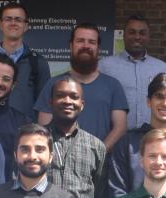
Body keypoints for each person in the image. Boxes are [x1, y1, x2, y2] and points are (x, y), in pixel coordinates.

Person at [34, 23, 128, 151]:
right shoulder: (53, 84)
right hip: (60, 164)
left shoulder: (113, 85)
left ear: (98, 48)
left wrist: (98, 155)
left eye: (91, 42)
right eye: (80, 41)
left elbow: (120, 128)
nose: (86, 46)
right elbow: (43, 128)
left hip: (102, 166)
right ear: (71, 45)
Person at [0, 1, 52, 113]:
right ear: (1, 25)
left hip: (25, 129)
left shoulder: (37, 63)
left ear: (26, 26)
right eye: (8, 19)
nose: (13, 23)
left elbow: (45, 105)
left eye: (18, 19)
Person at [100, 14, 166, 130]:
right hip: (117, 138)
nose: (137, 37)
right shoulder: (105, 66)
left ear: (148, 37)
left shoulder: (161, 68)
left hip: (153, 137)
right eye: (132, 32)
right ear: (124, 35)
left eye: (142, 33)